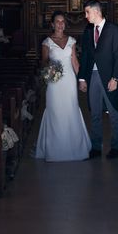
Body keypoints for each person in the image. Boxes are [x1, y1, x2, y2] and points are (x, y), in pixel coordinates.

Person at [35, 11, 91, 162]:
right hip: (54, 82)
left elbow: (75, 62)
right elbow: (44, 62)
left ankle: (75, 148)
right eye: (57, 21)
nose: (60, 24)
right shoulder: (47, 42)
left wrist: (82, 80)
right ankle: (54, 151)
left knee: (71, 110)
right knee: (55, 111)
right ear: (52, 24)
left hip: (69, 82)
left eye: (62, 21)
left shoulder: (71, 40)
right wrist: (50, 69)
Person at [78, 0, 118, 159]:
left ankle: (116, 146)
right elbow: (84, 55)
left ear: (97, 11)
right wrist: (82, 78)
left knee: (113, 112)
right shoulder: (88, 30)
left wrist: (115, 78)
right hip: (92, 76)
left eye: (87, 12)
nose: (85, 16)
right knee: (95, 113)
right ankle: (96, 147)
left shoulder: (113, 30)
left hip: (109, 77)